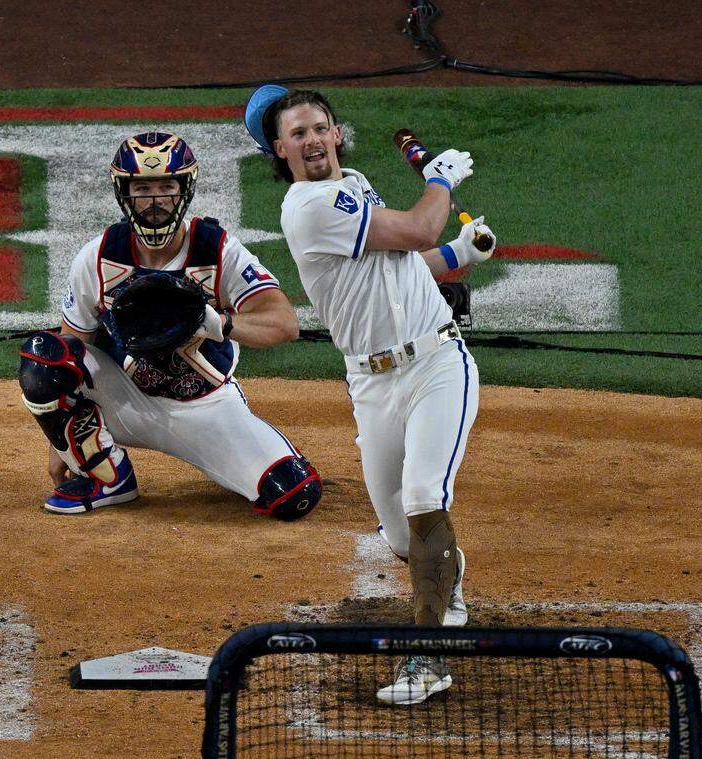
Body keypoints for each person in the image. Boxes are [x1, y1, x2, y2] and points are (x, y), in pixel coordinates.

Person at [245, 87, 496, 704]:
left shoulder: (353, 182)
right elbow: (414, 228)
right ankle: (447, 581)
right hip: (372, 382)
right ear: (280, 150)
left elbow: (401, 262)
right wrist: (438, 182)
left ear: (336, 134)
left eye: (319, 127)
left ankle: (430, 657)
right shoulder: (308, 207)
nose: (311, 140)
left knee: (421, 495)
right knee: (399, 533)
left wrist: (460, 252)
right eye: (297, 133)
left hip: (437, 360)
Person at [17, 131, 321, 522]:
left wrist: (217, 322)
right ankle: (110, 477)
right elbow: (72, 345)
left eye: (166, 186)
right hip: (127, 399)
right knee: (46, 357)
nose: (156, 199)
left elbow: (284, 324)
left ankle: (244, 456)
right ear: (123, 191)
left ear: (184, 189)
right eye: (143, 187)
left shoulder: (218, 250)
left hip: (206, 407)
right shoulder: (96, 257)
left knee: (293, 494)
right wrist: (61, 446)